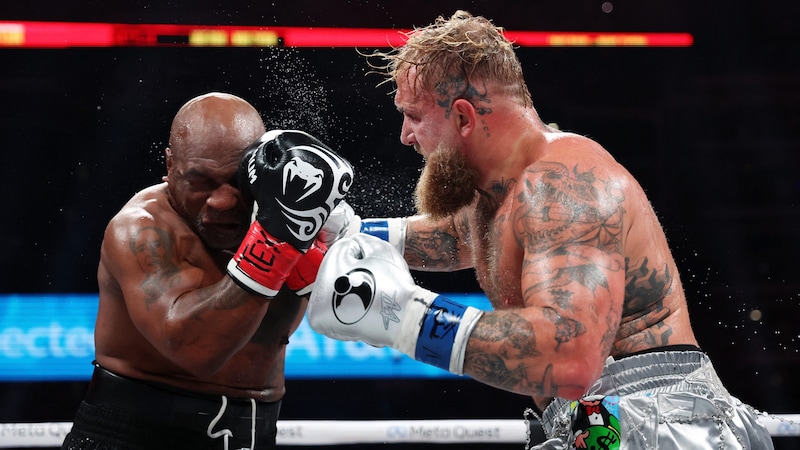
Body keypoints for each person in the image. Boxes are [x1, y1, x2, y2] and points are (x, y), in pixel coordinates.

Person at [306, 11, 774, 449]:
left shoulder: (563, 185)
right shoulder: (499, 194)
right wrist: (341, 231)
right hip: (601, 418)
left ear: (464, 117)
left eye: (413, 115)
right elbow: (457, 238)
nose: (407, 135)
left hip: (657, 418)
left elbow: (571, 358)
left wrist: (405, 318)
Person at [61, 92, 353, 450]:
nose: (222, 201)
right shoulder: (141, 230)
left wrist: (346, 241)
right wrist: (276, 243)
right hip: (136, 436)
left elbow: (363, 308)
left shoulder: (291, 212)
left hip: (256, 435)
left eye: (237, 181)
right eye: (201, 181)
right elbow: (196, 350)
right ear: (170, 166)